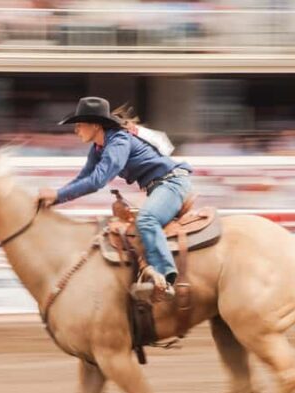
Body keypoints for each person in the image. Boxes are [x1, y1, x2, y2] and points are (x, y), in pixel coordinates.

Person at [38, 96, 193, 302]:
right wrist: (55, 199)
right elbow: (83, 178)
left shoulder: (119, 140)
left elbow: (96, 181)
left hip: (172, 184)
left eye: (80, 125)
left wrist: (57, 195)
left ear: (95, 125)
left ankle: (165, 277)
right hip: (159, 187)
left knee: (147, 220)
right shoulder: (98, 148)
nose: (76, 130)